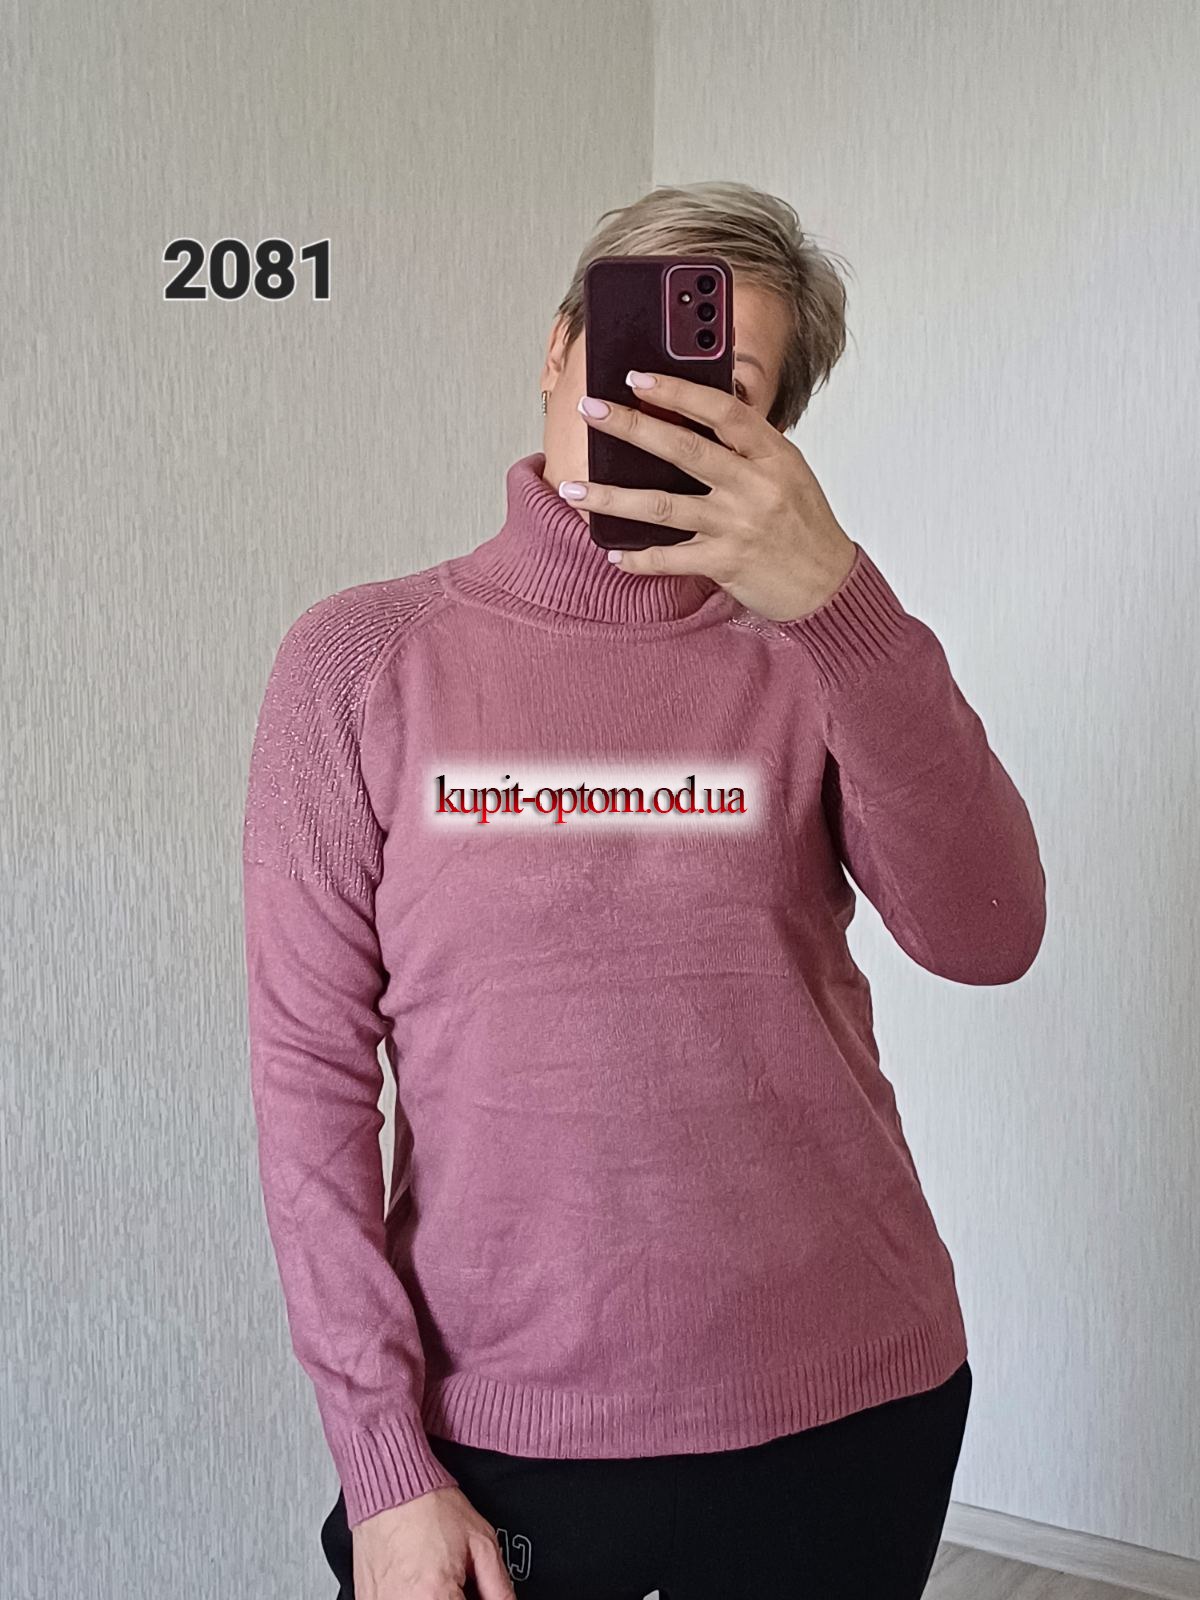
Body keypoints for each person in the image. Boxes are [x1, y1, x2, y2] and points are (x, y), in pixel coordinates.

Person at [241, 180, 1045, 1600]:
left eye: (725, 385)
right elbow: (309, 1079)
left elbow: (990, 935)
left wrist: (844, 604)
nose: (663, 404)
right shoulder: (360, 663)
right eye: (636, 348)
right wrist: (381, 1462)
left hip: (851, 1399)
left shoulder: (821, 658)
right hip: (503, 1431)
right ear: (559, 347)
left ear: (775, 438)